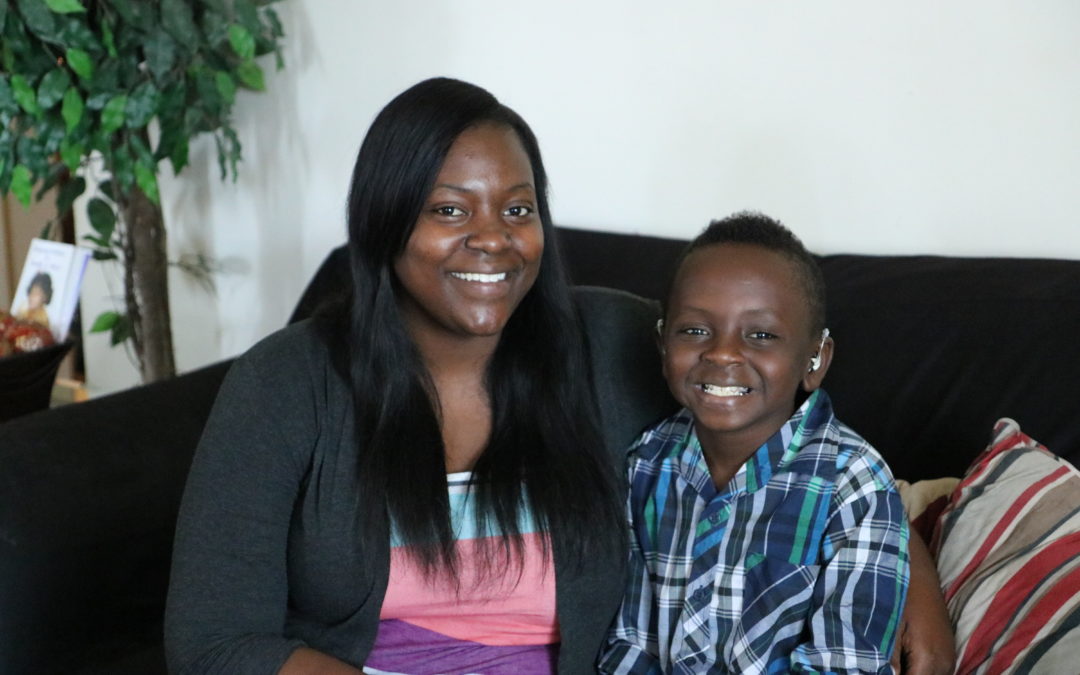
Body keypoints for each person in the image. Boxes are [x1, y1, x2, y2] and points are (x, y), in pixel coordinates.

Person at [164, 78, 627, 674]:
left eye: (518, 209)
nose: (493, 238)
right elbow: (212, 643)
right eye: (450, 210)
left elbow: (751, 363)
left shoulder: (611, 346)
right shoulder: (285, 382)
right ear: (387, 221)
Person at [599, 213, 912, 674]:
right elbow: (629, 640)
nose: (722, 353)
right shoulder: (646, 464)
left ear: (815, 360)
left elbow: (846, 664)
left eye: (760, 335)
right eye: (695, 330)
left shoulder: (854, 484)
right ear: (662, 344)